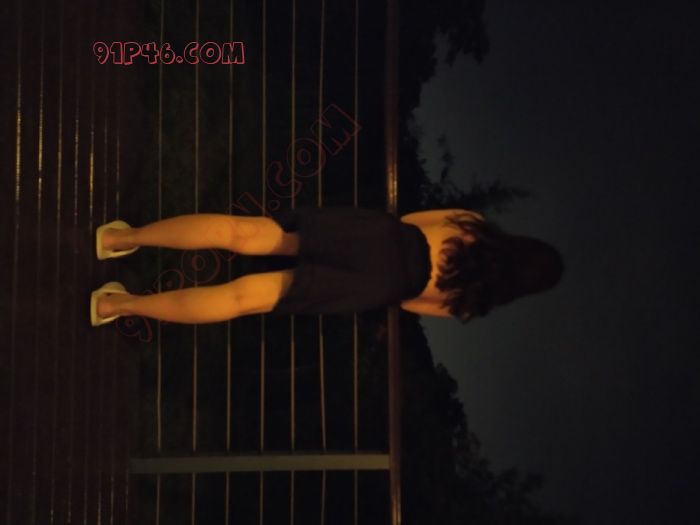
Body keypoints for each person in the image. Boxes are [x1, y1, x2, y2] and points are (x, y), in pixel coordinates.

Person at [90, 207, 564, 326]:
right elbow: (408, 304)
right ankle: (117, 306)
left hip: (378, 237)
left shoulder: (471, 224)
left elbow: (412, 221)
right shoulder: (471, 302)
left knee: (242, 233)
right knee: (240, 299)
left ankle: (119, 239)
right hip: (379, 284)